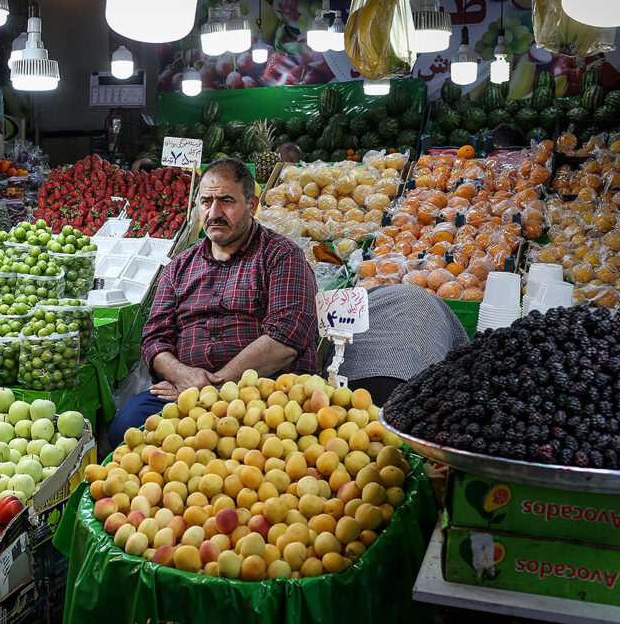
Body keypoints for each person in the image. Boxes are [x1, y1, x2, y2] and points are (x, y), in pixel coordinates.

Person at [107, 158, 319, 448]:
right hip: (185, 391)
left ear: (252, 205)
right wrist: (183, 376)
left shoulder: (282, 256)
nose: (215, 212)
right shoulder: (178, 267)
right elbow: (154, 340)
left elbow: (286, 337)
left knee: (260, 448)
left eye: (227, 201)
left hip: (262, 394)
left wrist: (215, 384)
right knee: (126, 425)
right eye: (206, 202)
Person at [320, 284, 469, 406]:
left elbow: (331, 346)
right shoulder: (435, 312)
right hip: (412, 388)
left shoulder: (368, 302)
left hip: (350, 383)